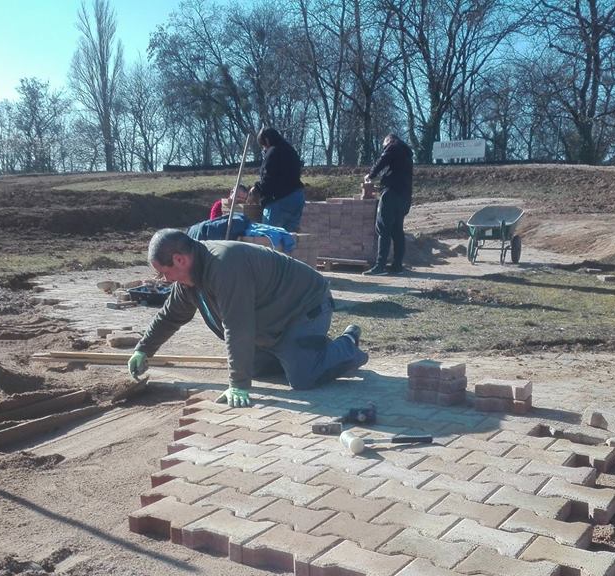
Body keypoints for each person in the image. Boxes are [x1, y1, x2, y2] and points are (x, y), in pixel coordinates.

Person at [127, 229, 368, 407]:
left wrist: (238, 385)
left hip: (305, 307)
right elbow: (170, 316)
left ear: (179, 259)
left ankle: (347, 343)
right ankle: (304, 352)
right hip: (273, 319)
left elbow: (238, 326)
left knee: (303, 377)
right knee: (253, 368)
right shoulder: (190, 279)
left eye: (164, 272)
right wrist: (143, 350)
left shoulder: (225, 266)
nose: (165, 280)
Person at [362, 133, 413, 276]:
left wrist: (371, 175)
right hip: (404, 197)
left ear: (388, 141)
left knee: (383, 228)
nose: (384, 148)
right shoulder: (407, 154)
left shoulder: (393, 146)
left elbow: (383, 160)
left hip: (391, 194)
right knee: (397, 230)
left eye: (384, 146)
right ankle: (397, 266)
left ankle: (380, 267)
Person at [249, 127, 305, 231]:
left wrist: (257, 189)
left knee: (269, 236)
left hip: (280, 200)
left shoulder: (273, 152)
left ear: (267, 140)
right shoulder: (291, 150)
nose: (264, 149)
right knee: (289, 237)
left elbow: (268, 178)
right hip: (297, 197)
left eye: (263, 145)